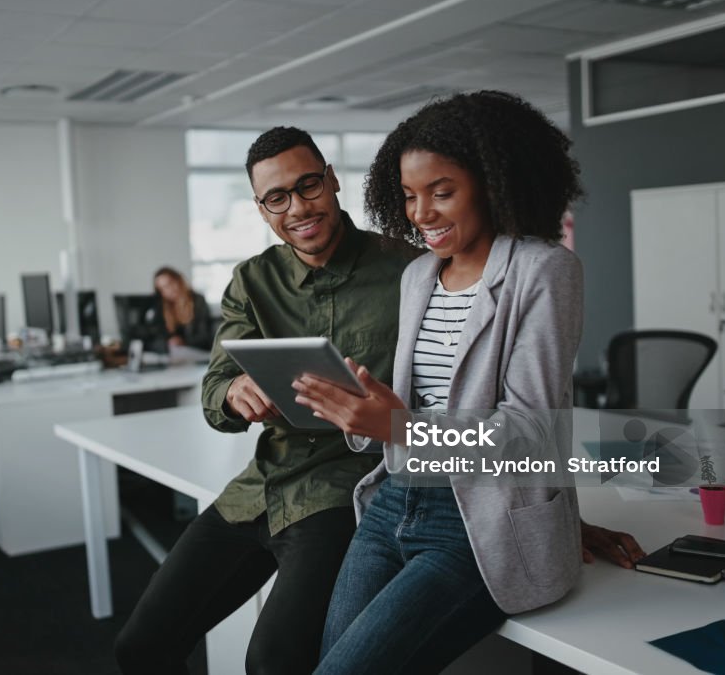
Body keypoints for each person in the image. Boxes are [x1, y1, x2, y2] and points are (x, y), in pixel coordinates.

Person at [114, 126, 643, 675]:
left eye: (309, 185)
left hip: (351, 492)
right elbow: (217, 388)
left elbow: (518, 415)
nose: (297, 207)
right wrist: (232, 391)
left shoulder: (411, 266)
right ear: (261, 207)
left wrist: (551, 514)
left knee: (276, 663)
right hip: (288, 486)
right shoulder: (261, 280)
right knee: (139, 647)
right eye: (277, 197)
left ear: (333, 179)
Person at [292, 91, 644, 675]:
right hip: (394, 502)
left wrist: (400, 424)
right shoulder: (418, 276)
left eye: (442, 191)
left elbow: (530, 431)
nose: (420, 212)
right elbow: (417, 408)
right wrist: (362, 411)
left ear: (492, 183)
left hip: (478, 521)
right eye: (408, 196)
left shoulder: (545, 271)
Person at [152, 266, 214, 351]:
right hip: (175, 357)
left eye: (170, 283)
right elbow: (155, 337)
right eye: (162, 288)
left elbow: (206, 337)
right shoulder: (161, 308)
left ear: (179, 280)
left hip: (198, 354)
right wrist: (168, 343)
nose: (168, 290)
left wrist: (184, 342)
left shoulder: (198, 301)